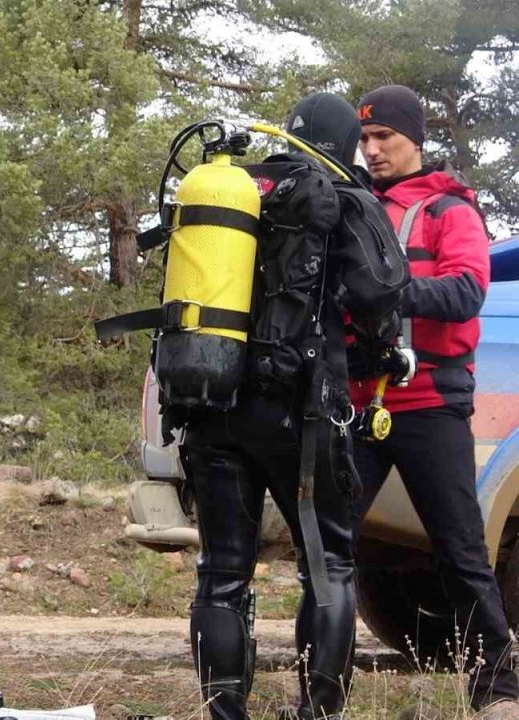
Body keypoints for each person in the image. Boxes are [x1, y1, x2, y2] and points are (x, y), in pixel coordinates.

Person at [182, 93, 408, 720]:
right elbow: (379, 291)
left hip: (210, 398)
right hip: (300, 411)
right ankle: (319, 712)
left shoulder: (230, 189)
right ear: (341, 143)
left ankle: (224, 713)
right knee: (328, 564)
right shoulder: (336, 196)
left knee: (223, 570)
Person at [349, 84, 519, 718]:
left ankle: (498, 691)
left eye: (384, 138)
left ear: (414, 139)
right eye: (364, 140)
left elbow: (466, 293)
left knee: (460, 550)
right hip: (361, 405)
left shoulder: (451, 211)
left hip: (432, 404)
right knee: (332, 549)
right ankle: (321, 694)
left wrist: (389, 293)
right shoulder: (356, 209)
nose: (372, 150)